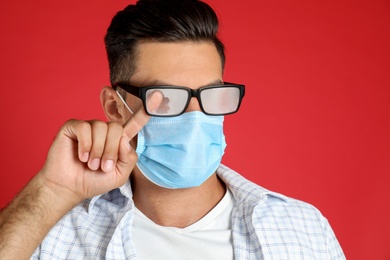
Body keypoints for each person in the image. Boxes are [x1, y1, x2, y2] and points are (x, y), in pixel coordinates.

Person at [0, 0, 345, 259]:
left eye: (212, 94)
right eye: (165, 97)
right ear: (114, 106)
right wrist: (51, 191)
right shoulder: (52, 231)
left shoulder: (303, 229)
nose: (196, 114)